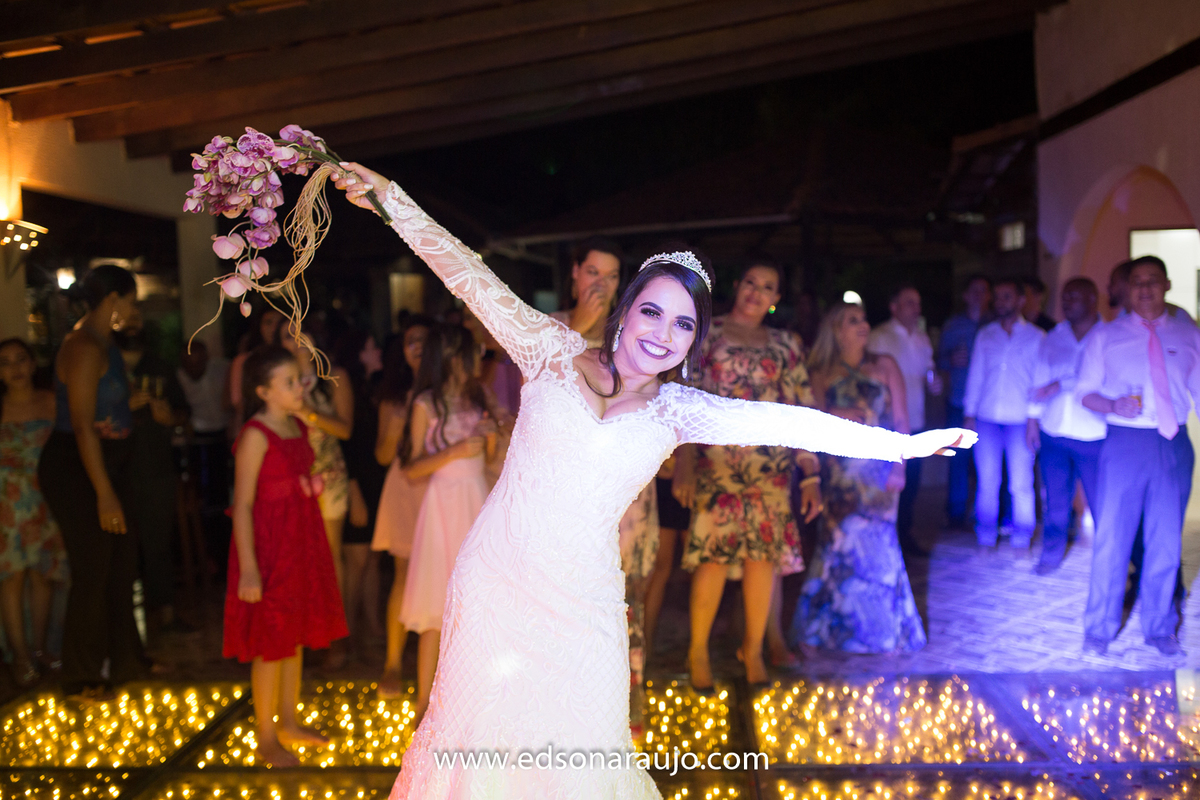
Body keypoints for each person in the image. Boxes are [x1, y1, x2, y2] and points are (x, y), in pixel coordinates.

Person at [331, 163, 972, 797]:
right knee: (478, 745)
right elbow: (469, 276)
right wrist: (391, 200)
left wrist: (903, 447)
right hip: (495, 581)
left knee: (585, 753)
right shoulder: (547, 349)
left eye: (683, 324)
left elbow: (793, 423)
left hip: (584, 603)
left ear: (694, 341)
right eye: (652, 313)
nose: (663, 334)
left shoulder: (678, 410)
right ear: (625, 311)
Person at [673, 257, 821, 689]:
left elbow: (803, 409)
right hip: (718, 463)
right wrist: (683, 458)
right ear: (738, 286)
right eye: (751, 283)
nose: (757, 292)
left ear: (776, 299)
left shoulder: (787, 343)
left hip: (771, 467)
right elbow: (683, 394)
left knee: (763, 559)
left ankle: (752, 650)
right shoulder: (708, 332)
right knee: (713, 558)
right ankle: (697, 651)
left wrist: (810, 473)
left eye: (768, 287)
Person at [551, 237, 662, 712]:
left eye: (612, 276)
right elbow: (540, 389)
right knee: (567, 604)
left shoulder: (631, 337)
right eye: (593, 272)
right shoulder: (551, 328)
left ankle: (624, 709)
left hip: (626, 499)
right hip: (566, 497)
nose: (602, 284)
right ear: (575, 273)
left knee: (624, 600)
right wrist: (580, 327)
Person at [223, 345, 348, 766]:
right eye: (290, 382)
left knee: (292, 636)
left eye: (300, 379)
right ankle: (265, 736)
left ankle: (289, 720)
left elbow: (292, 478)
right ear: (263, 391)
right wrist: (250, 569)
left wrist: (311, 484)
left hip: (301, 539)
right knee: (271, 641)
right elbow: (242, 503)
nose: (300, 387)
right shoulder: (256, 435)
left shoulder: (296, 423)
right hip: (271, 545)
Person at [1078, 256, 1200, 657]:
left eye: (1152, 280)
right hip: (1124, 443)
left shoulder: (1189, 332)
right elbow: (1085, 393)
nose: (1145, 287)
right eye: (1136, 281)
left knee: (1166, 539)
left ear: (1166, 284)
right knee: (1112, 537)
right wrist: (1113, 405)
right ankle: (1099, 626)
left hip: (1173, 443)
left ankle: (1160, 627)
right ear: (1126, 289)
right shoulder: (1105, 337)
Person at [37, 265, 146, 699]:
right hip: (76, 468)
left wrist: (137, 406)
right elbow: (81, 426)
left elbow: (108, 405)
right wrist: (104, 495)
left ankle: (125, 660)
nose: (134, 311)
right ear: (114, 299)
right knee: (94, 569)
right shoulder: (83, 346)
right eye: (132, 301)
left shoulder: (105, 342)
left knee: (120, 564)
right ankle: (80, 675)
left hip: (104, 462)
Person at [791, 302, 925, 653]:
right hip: (840, 474)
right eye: (852, 320)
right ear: (836, 331)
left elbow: (901, 420)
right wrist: (839, 413)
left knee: (880, 546)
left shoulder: (885, 366)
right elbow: (811, 419)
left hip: (879, 471)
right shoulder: (821, 371)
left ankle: (881, 632)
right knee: (838, 545)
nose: (863, 324)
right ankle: (830, 631)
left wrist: (900, 466)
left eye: (863, 318)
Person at [399, 324, 499, 723]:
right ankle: (425, 703)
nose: (479, 358)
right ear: (455, 357)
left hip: (476, 499)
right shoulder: (425, 404)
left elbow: (491, 462)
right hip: (442, 502)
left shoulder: (480, 396)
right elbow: (412, 468)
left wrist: (490, 440)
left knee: (477, 605)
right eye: (473, 352)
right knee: (435, 607)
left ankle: (474, 702)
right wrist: (455, 449)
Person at [277, 324, 353, 667]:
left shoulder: (334, 377)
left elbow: (345, 429)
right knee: (296, 559)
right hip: (290, 479)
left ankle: (335, 638)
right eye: (285, 335)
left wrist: (306, 412)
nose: (293, 341)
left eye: (298, 332)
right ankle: (303, 638)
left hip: (329, 476)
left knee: (329, 559)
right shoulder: (279, 383)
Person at [116, 308, 191, 635]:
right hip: (114, 470)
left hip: (155, 468)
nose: (132, 324)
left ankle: (167, 614)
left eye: (137, 318)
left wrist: (169, 418)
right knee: (120, 549)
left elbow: (183, 412)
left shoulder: (160, 366)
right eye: (125, 320)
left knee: (158, 543)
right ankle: (123, 624)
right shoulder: (102, 365)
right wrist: (122, 407)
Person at [1025, 278, 1105, 575]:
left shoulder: (1108, 335)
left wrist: (1061, 384)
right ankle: (1051, 554)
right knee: (1055, 501)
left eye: (1074, 297)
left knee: (1101, 503)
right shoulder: (1054, 336)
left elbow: (1101, 380)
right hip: (1054, 431)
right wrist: (1032, 421)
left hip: (1094, 434)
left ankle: (1107, 563)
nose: (1067, 302)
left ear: (1093, 299)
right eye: (1065, 297)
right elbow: (1038, 381)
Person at [0, 338, 67, 686]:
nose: (15, 368)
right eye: (6, 362)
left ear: (31, 363)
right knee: (11, 579)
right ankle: (19, 655)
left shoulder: (50, 402)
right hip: (6, 504)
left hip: (44, 498)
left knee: (43, 575)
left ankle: (41, 649)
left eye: (20, 359)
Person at [372, 316, 432, 698]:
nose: (419, 347)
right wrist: (394, 432)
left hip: (440, 487)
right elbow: (380, 456)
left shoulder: (448, 392)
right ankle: (393, 663)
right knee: (403, 573)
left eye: (426, 341)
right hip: (404, 488)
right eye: (412, 341)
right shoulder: (393, 398)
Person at [963, 278, 1045, 549]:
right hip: (986, 418)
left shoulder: (1036, 336)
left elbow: (1039, 380)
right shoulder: (986, 334)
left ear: (1021, 300)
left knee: (1021, 483)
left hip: (1021, 420)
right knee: (987, 481)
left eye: (1007, 297)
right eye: (997, 297)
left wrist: (1034, 420)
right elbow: (975, 376)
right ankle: (985, 535)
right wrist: (969, 414)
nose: (1000, 302)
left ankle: (1022, 537)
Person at [868, 285, 942, 556]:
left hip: (916, 418)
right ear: (894, 307)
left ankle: (904, 536)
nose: (916, 308)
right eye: (909, 302)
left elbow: (929, 372)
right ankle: (886, 541)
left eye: (918, 303)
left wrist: (934, 383)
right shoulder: (878, 337)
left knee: (911, 483)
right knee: (886, 483)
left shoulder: (922, 338)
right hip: (888, 422)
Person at [335, 330, 387, 657]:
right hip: (358, 481)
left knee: (373, 556)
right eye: (372, 345)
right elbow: (346, 441)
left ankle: (373, 626)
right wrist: (353, 489)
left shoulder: (377, 386)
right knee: (355, 558)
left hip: (378, 479)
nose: (378, 349)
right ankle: (344, 632)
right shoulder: (347, 386)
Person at [937, 276, 991, 529]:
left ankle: (986, 513)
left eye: (984, 291)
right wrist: (950, 359)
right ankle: (957, 513)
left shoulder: (995, 324)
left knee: (987, 461)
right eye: (975, 290)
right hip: (959, 400)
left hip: (988, 406)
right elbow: (939, 361)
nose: (979, 295)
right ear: (967, 295)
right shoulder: (954, 325)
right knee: (957, 458)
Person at [177, 340, 232, 572]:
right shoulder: (178, 378)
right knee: (203, 498)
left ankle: (225, 556)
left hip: (224, 437)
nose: (195, 366)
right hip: (198, 441)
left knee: (224, 496)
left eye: (199, 360)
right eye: (190, 363)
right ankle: (209, 558)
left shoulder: (222, 369)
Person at [226, 306, 284, 428]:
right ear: (259, 326)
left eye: (279, 323)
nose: (274, 328)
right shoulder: (243, 361)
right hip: (255, 426)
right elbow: (237, 402)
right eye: (268, 322)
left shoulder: (292, 359)